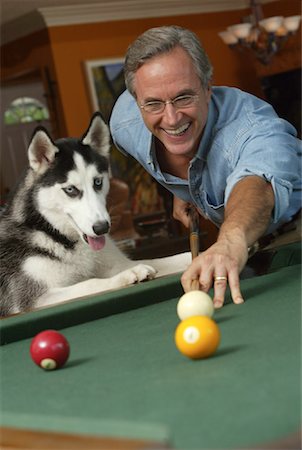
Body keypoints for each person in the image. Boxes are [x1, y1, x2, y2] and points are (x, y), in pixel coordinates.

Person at [109, 25, 301, 308]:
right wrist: (183, 185)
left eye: (184, 97)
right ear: (137, 102)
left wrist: (229, 241)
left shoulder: (253, 130)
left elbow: (257, 185)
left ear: (208, 87)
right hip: (254, 246)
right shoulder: (125, 125)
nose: (172, 118)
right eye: (153, 104)